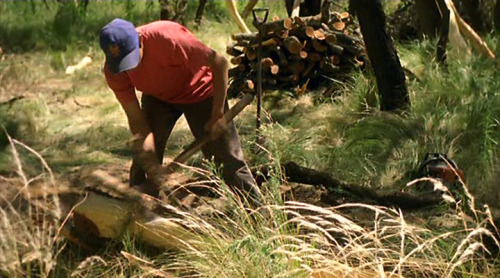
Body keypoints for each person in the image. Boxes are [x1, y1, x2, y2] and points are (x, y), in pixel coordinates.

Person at [99, 18, 262, 206]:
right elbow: (136, 119)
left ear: (140, 40)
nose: (131, 67)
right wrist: (151, 164)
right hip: (158, 96)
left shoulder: (168, 38)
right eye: (123, 63)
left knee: (225, 157)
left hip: (198, 90)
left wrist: (217, 113)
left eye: (132, 59)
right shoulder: (114, 72)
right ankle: (140, 214)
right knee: (142, 162)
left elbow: (220, 63)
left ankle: (258, 212)